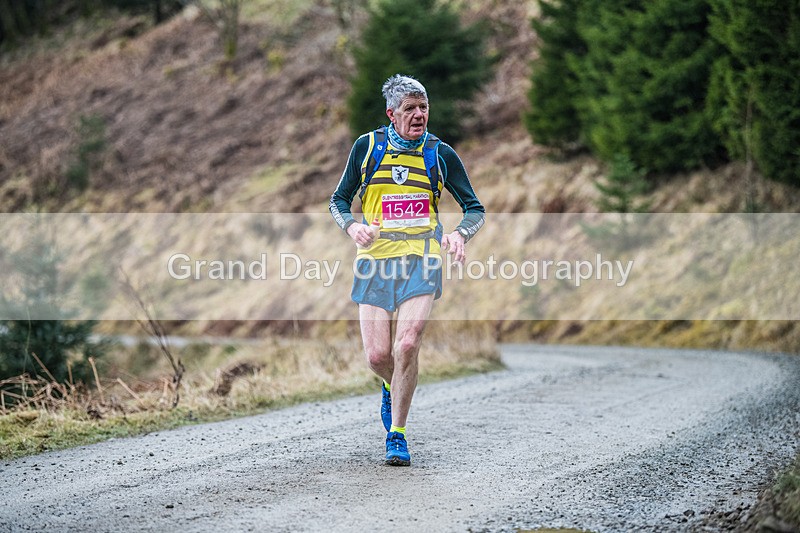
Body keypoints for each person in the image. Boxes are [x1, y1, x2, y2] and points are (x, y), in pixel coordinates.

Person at [329, 74, 485, 466]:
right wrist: (353, 226)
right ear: (391, 114)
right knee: (379, 355)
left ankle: (396, 434)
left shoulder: (440, 153)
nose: (419, 115)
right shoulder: (367, 148)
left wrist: (460, 235)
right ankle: (389, 383)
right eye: (410, 109)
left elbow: (474, 208)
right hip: (375, 262)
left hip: (422, 259)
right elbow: (339, 199)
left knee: (408, 343)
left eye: (424, 108)